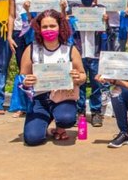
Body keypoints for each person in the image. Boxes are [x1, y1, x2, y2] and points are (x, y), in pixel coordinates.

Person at [21, 9, 86, 145]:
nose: (48, 29)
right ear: (39, 29)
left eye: (52, 26)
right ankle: (44, 121)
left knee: (66, 119)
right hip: (40, 99)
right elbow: (22, 78)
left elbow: (83, 75)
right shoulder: (31, 49)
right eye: (44, 26)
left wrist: (77, 77)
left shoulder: (69, 49)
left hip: (63, 97)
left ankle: (60, 125)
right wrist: (27, 81)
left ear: (60, 27)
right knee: (33, 139)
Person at [69, 0, 107, 126]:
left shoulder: (100, 9)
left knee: (97, 84)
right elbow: (68, 28)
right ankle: (80, 112)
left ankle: (96, 112)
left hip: (95, 53)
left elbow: (105, 32)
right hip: (79, 52)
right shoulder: (74, 10)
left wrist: (105, 21)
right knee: (80, 83)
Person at [8, 0, 36, 69]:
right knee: (21, 63)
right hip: (18, 31)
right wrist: (10, 37)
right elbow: (11, 15)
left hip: (33, 31)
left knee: (35, 61)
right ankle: (24, 85)